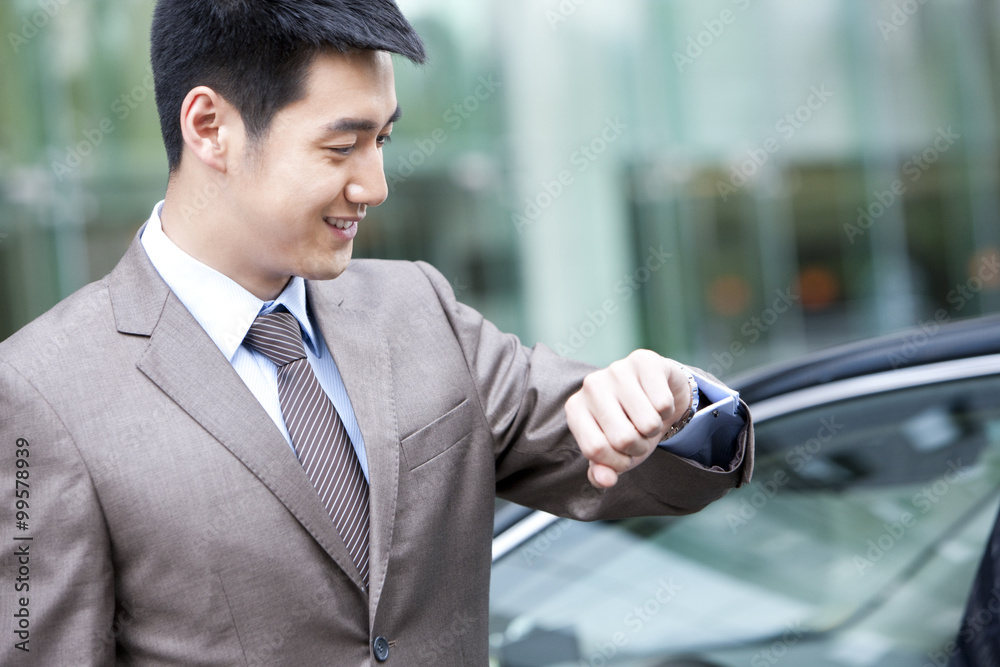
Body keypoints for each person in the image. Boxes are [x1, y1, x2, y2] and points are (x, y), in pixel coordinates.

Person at [0, 0, 753, 664]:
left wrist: (670, 401)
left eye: (382, 140)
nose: (375, 186)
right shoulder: (40, 392)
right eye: (341, 146)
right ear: (210, 127)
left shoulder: (417, 307)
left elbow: (610, 439)